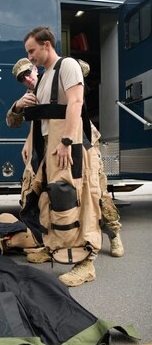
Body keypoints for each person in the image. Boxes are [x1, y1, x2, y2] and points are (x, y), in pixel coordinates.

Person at [5, 26, 105, 287]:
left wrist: (66, 142)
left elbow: (75, 103)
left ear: (47, 44)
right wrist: (29, 142)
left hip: (67, 144)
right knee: (51, 199)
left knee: (82, 200)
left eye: (32, 51)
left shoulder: (67, 65)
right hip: (48, 147)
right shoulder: (44, 77)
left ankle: (87, 263)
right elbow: (41, 115)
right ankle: (53, 247)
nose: (30, 57)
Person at [7, 58, 124, 259]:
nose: (27, 79)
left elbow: (82, 70)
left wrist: (63, 66)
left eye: (28, 73)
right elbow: (17, 121)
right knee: (57, 195)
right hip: (54, 149)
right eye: (22, 78)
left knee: (96, 191)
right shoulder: (31, 96)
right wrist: (18, 107)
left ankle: (114, 234)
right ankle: (61, 244)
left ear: (35, 68)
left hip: (82, 142)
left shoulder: (58, 74)